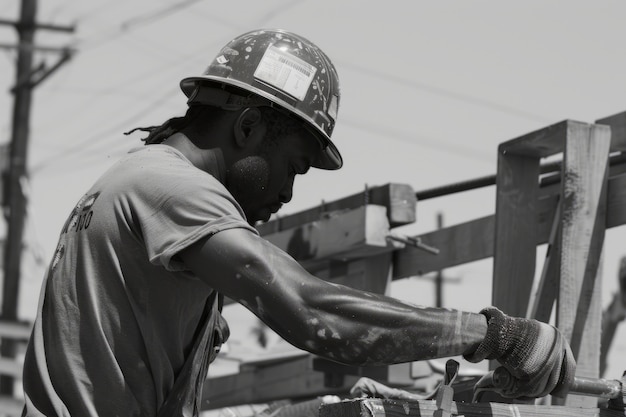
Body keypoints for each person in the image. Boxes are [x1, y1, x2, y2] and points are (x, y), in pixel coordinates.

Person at [22, 29, 575, 417]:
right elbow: (310, 311)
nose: (287, 193)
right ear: (247, 127)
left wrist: (330, 410)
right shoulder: (172, 188)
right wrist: (494, 334)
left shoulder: (144, 184)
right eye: (293, 166)